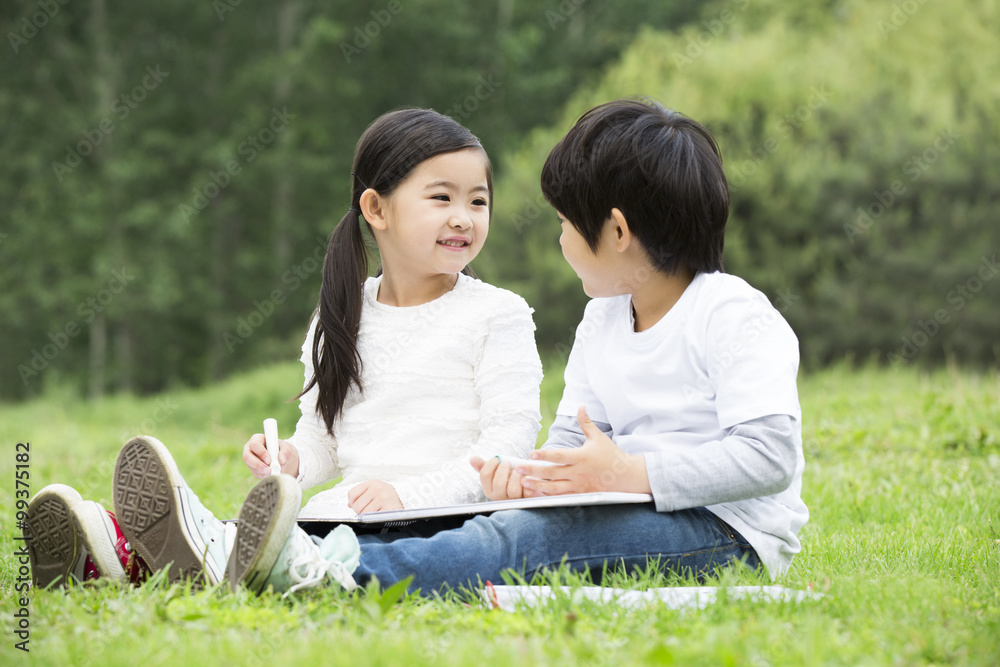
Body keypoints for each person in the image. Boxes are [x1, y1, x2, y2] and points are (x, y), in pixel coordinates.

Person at [220, 98, 808, 597]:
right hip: (623, 504)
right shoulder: (603, 319)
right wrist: (526, 479)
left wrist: (633, 474)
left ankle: (335, 577)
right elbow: (574, 440)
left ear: (618, 233)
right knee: (511, 521)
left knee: (522, 541)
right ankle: (221, 546)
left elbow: (769, 456)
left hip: (724, 530)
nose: (558, 238)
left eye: (564, 224)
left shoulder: (732, 314)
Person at [26, 108, 543, 588]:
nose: (464, 217)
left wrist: (407, 496)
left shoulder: (498, 314)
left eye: (478, 200)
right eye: (441, 198)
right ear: (376, 208)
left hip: (443, 522)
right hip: (352, 513)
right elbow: (326, 440)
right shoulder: (340, 315)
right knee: (288, 538)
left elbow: (511, 439)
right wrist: (293, 459)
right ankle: (133, 555)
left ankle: (140, 552)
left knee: (281, 548)